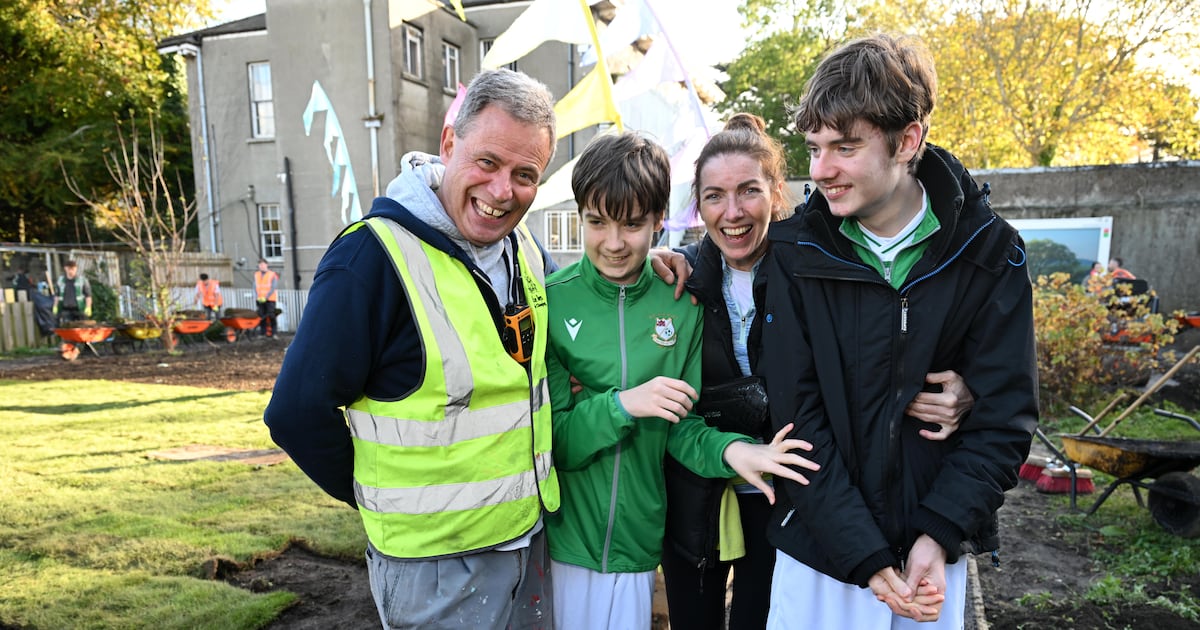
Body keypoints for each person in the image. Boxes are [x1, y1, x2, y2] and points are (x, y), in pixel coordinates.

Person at [264, 69, 688, 630]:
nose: (501, 191)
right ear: (448, 144)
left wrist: (650, 266)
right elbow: (296, 414)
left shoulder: (525, 249)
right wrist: (379, 497)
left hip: (528, 548)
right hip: (434, 569)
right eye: (487, 162)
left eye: (524, 174)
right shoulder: (372, 258)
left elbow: (590, 293)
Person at [755, 34, 1038, 628]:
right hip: (819, 564)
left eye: (845, 147)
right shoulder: (790, 255)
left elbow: (1006, 419)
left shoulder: (990, 254)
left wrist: (938, 534)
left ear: (907, 140)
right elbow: (795, 418)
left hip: (931, 563)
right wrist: (860, 552)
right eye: (814, 148)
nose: (821, 171)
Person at [660, 113, 976, 630]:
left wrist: (970, 386)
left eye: (748, 191)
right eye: (714, 195)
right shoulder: (682, 280)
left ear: (776, 193)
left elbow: (887, 343)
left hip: (790, 495)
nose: (732, 212)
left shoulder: (812, 273)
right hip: (701, 493)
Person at [543, 130, 820, 630]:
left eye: (632, 225)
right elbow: (553, 441)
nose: (613, 242)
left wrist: (735, 450)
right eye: (596, 222)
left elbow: (683, 424)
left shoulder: (680, 300)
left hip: (638, 546)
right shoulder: (552, 302)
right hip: (563, 543)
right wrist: (623, 405)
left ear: (658, 221)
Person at [253, 259, 279, 336]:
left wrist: (266, 297)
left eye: (263, 265)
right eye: (260, 265)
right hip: (260, 299)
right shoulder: (256, 275)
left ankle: (274, 333)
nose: (261, 266)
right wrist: (257, 297)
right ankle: (263, 333)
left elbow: (273, 287)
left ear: (266, 265)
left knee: (271, 315)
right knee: (261, 316)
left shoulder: (272, 274)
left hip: (270, 299)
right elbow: (254, 287)